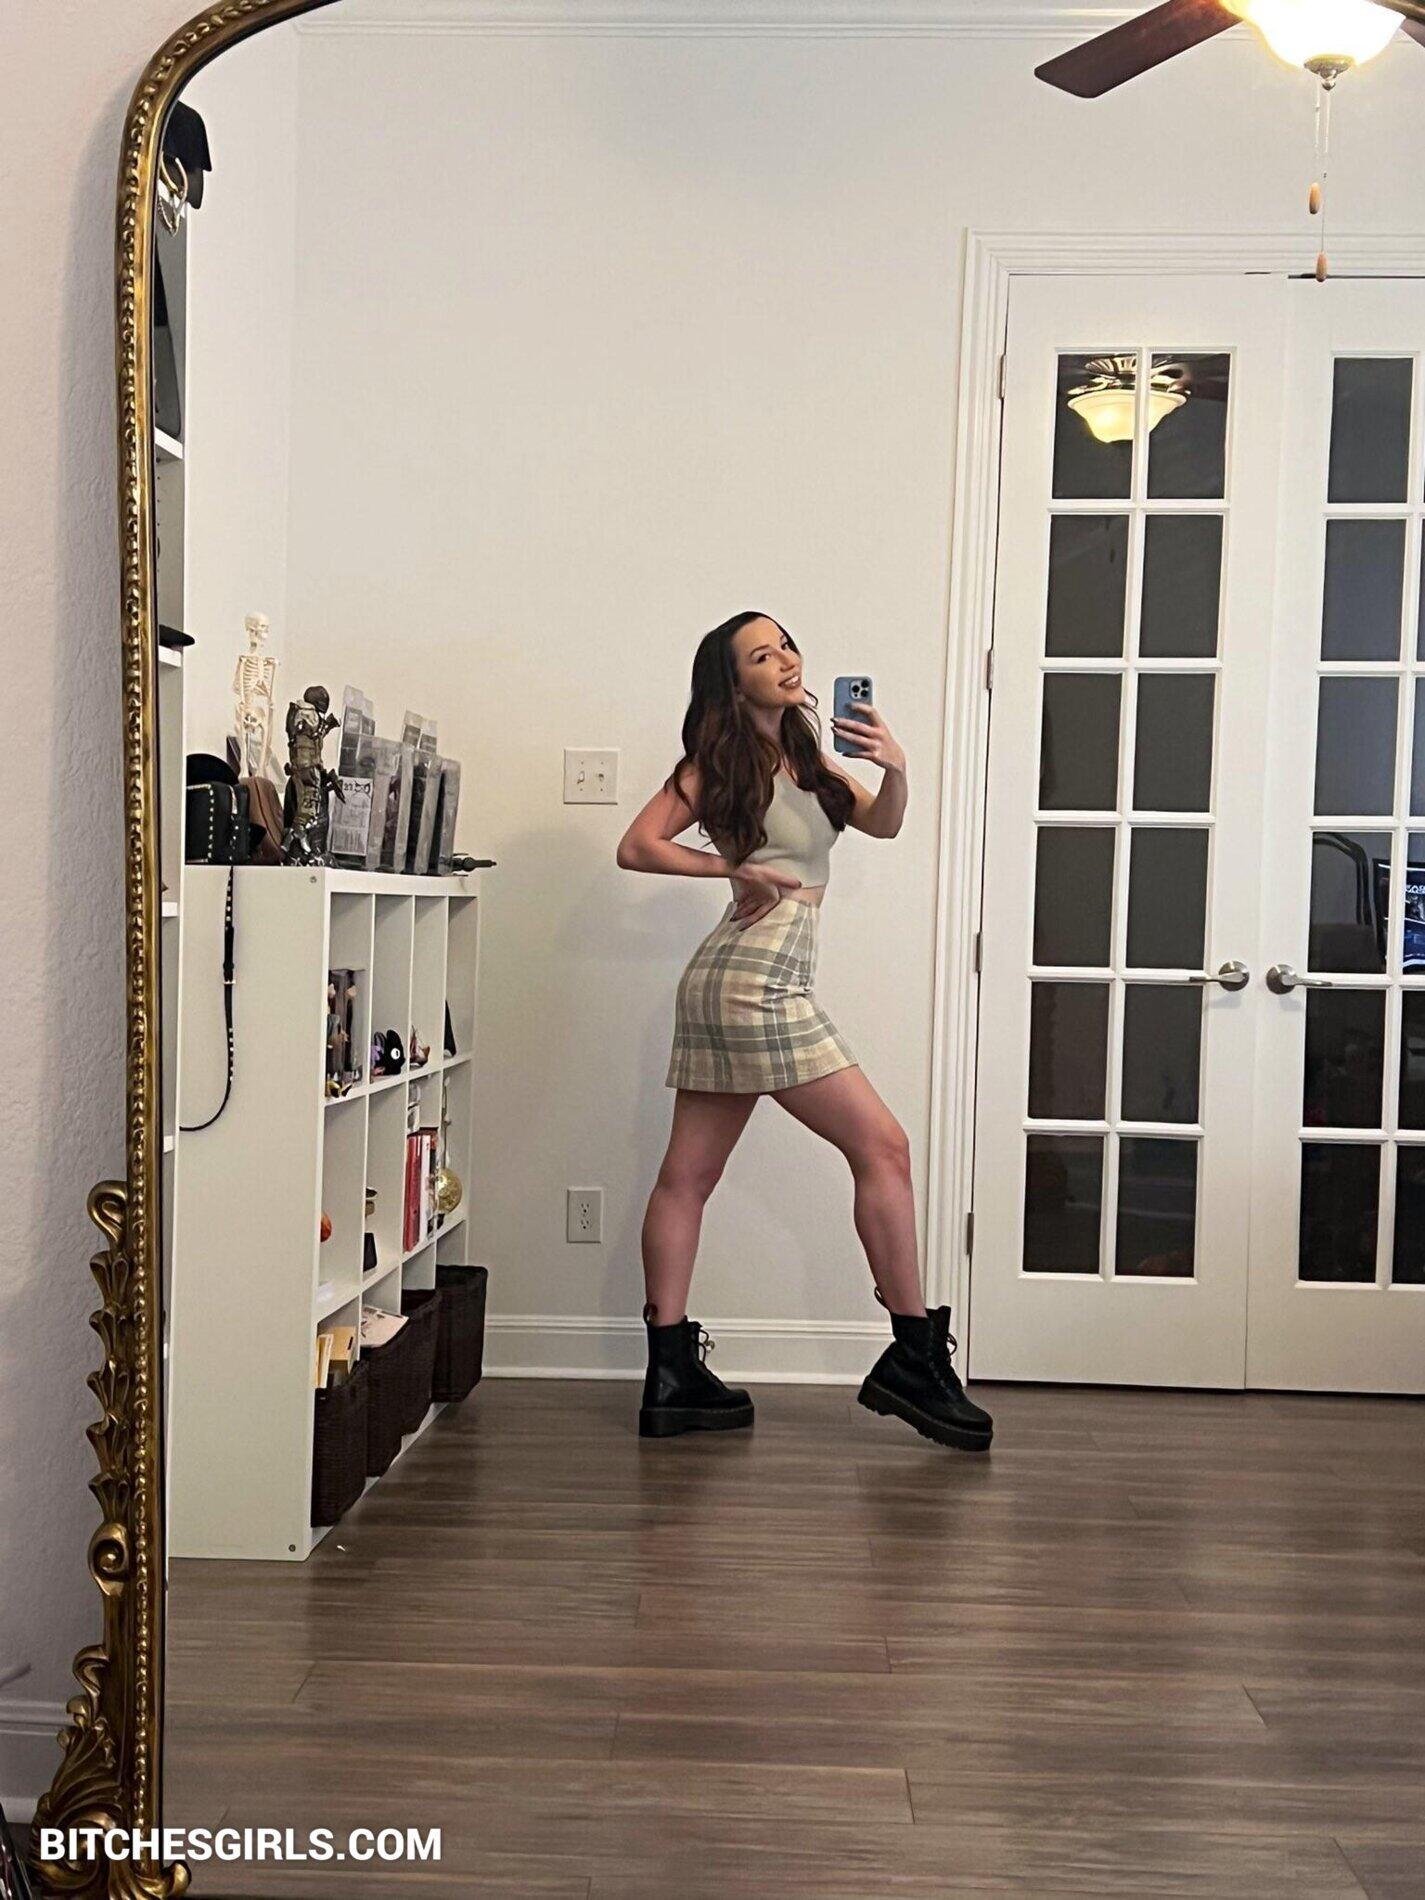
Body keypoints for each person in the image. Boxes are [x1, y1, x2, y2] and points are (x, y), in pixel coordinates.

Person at [616, 612, 992, 1453]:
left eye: (785, 644)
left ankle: (670, 1377)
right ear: (733, 682)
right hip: (753, 980)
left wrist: (894, 767)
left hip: (747, 979)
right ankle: (912, 1357)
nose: (785, 660)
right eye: (762, 655)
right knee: (883, 1147)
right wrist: (729, 866)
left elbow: (883, 823)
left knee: (686, 1177)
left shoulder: (812, 761)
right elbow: (635, 847)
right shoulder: (715, 766)